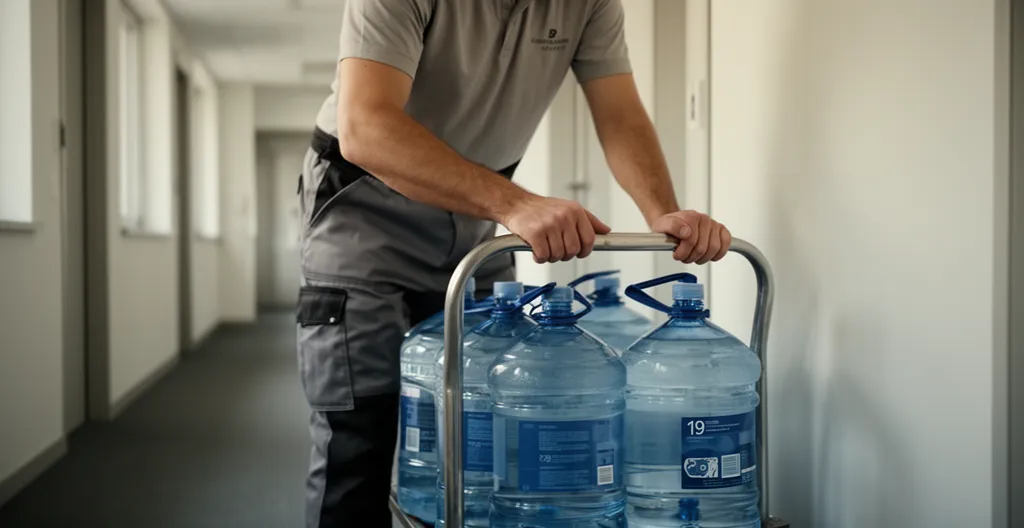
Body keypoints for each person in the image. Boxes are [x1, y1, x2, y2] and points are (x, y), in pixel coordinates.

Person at [295, 1, 732, 526]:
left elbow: (620, 114)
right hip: (362, 206)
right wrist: (517, 205)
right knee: (360, 437)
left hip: (473, 215)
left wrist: (663, 214)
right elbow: (365, 128)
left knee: (479, 440)